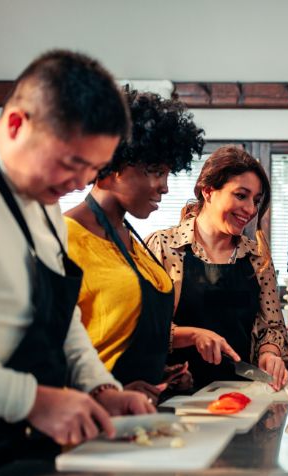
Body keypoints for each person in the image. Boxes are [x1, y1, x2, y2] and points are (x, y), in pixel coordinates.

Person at [0, 50, 153, 476]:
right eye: (71, 163)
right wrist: (32, 400)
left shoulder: (45, 199)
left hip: (32, 450)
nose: (78, 183)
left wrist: (99, 388)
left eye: (93, 169)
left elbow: (59, 316)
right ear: (17, 123)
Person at [64, 89, 205, 403]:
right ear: (114, 164)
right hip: (90, 422)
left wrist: (159, 374)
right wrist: (107, 393)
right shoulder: (65, 238)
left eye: (167, 173)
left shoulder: (133, 241)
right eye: (156, 171)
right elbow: (49, 347)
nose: (165, 187)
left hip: (136, 418)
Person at [147, 145, 288, 391]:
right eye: (241, 195)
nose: (250, 209)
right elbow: (146, 328)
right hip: (177, 394)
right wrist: (193, 334)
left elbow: (273, 326)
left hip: (243, 394)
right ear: (208, 191)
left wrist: (270, 353)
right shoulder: (164, 247)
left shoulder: (257, 256)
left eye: (256, 200)